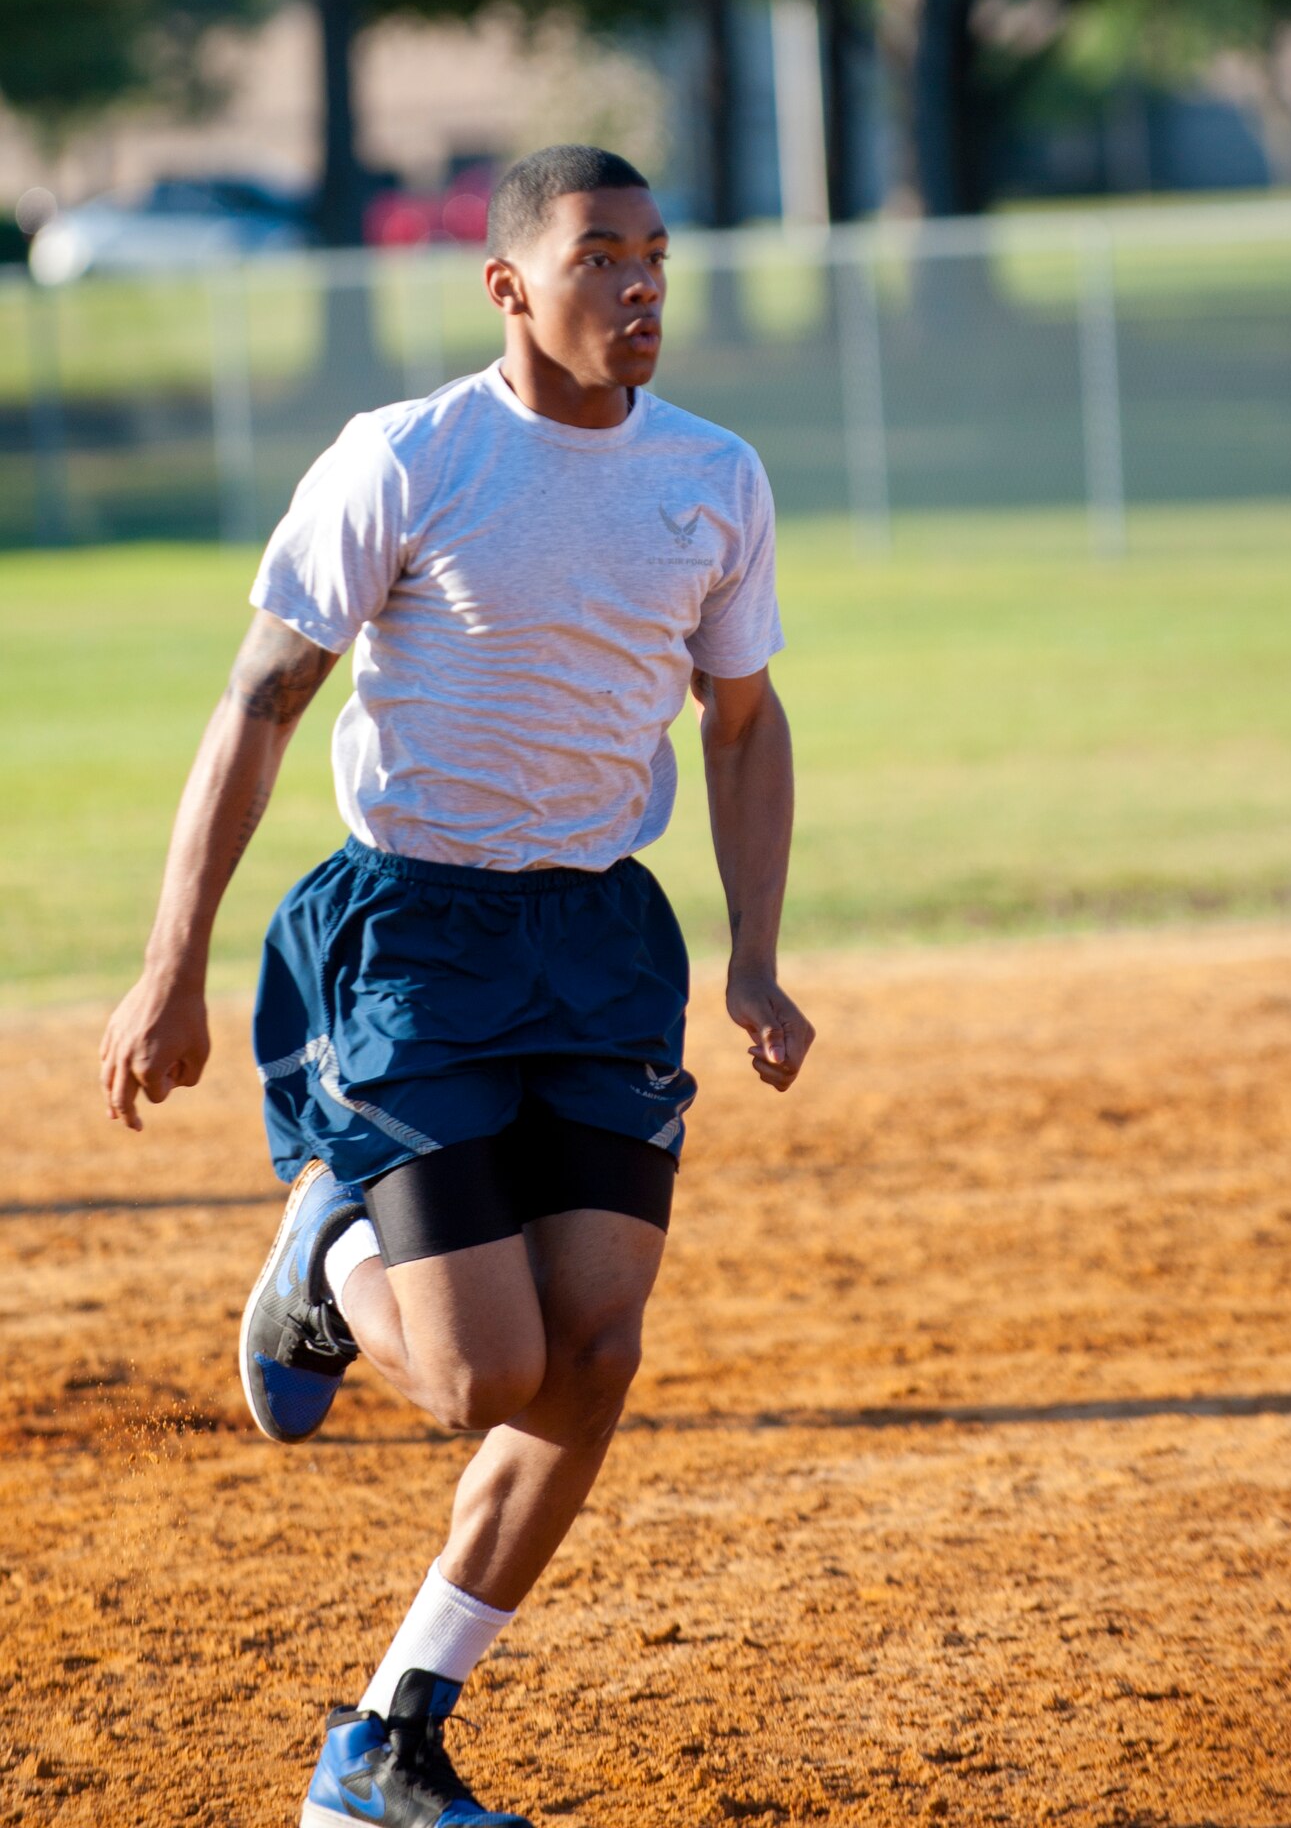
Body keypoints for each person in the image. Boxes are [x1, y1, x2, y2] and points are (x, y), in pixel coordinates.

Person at [100, 144, 814, 1828]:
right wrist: (168, 966)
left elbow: (744, 720)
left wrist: (757, 955)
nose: (638, 288)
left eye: (656, 257)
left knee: (598, 1349)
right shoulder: (407, 458)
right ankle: (329, 1252)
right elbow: (263, 700)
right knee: (483, 1378)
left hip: (599, 941)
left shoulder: (712, 473)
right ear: (508, 284)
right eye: (597, 258)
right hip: (409, 935)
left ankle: (390, 1734)